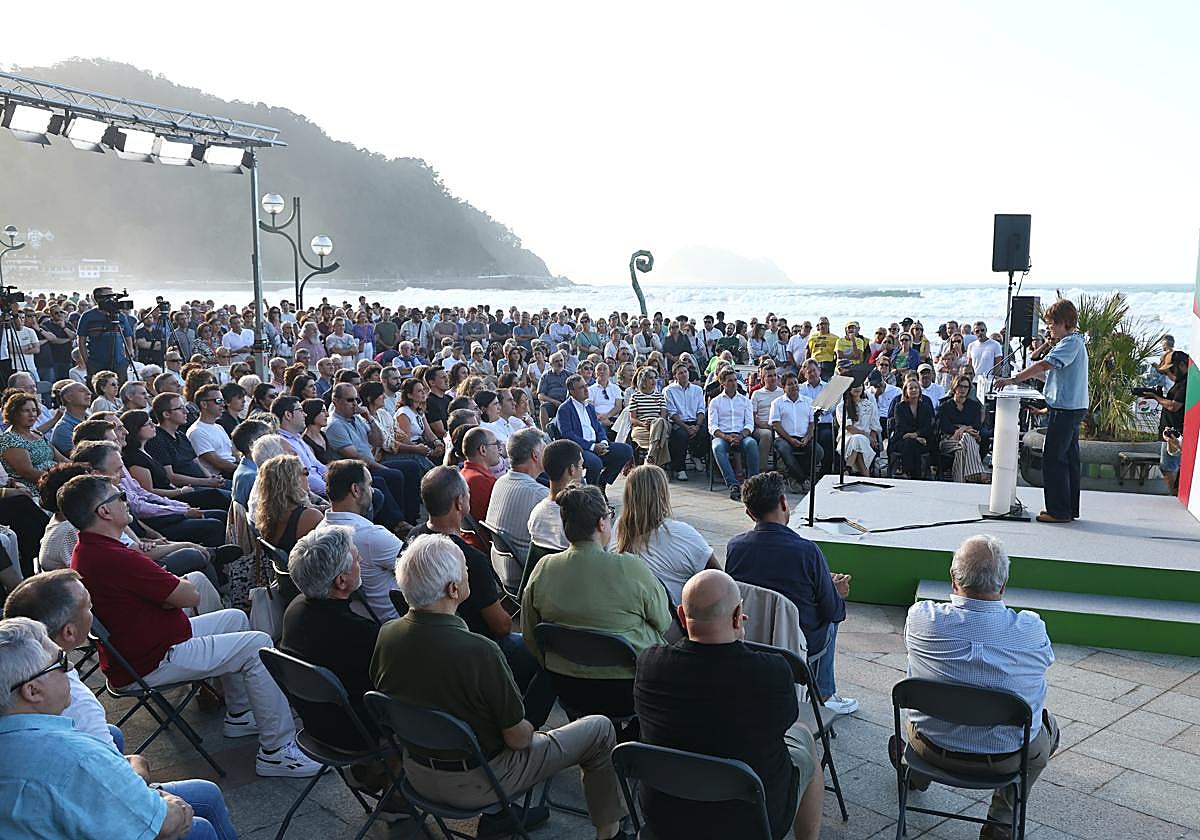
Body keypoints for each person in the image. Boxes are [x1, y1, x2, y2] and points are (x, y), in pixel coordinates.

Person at [62, 473, 320, 778]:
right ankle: (277, 751)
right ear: (103, 511)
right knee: (256, 644)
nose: (126, 499)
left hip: (148, 646)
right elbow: (190, 594)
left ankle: (240, 714)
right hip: (153, 659)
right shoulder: (113, 556)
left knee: (235, 619)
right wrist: (173, 593)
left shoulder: (92, 549)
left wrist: (170, 595)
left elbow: (175, 595)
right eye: (119, 496)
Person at [373, 533, 628, 839]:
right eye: (465, 570)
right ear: (453, 589)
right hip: (479, 781)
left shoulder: (387, 635)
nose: (469, 574)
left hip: (415, 771)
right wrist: (534, 728)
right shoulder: (479, 651)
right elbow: (519, 740)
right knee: (599, 728)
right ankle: (610, 832)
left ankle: (500, 816)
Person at [0, 616, 240, 839]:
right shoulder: (75, 756)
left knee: (204, 794)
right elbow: (167, 824)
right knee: (200, 829)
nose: (71, 668)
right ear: (32, 690)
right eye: (60, 662)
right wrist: (169, 804)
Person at [634, 569, 824, 840]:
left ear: (681, 616)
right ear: (738, 617)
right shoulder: (771, 672)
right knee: (804, 737)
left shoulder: (650, 664)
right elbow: (784, 725)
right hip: (755, 821)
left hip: (666, 813)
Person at [903, 534, 1058, 836]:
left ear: (953, 579)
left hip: (930, 746)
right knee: (1047, 729)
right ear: (1003, 583)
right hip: (1003, 760)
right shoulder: (1031, 630)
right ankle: (1001, 820)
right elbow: (1045, 662)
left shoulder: (921, 618)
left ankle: (916, 774)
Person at [522, 484, 672, 721]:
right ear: (602, 523)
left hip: (566, 685)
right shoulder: (630, 567)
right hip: (627, 688)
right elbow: (663, 622)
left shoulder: (544, 568)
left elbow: (530, 634)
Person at [405, 467, 544, 700]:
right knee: (536, 650)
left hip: (428, 641)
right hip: (473, 647)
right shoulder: (468, 560)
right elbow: (501, 627)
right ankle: (517, 709)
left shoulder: (412, 540)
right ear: (459, 502)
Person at [726, 472, 858, 715]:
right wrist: (836, 592)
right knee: (831, 620)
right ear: (784, 503)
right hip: (797, 643)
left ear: (749, 513)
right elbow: (833, 611)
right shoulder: (807, 551)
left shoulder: (735, 547)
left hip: (751, 635)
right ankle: (824, 694)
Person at [279, 525, 384, 754]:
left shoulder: (294, 610)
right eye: (357, 560)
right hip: (355, 734)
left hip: (317, 726)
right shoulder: (360, 632)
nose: (361, 565)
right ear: (341, 582)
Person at [995, 299, 1089, 523]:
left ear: (1064, 323)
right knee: (1068, 459)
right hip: (1070, 407)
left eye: (1051, 324)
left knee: (1054, 459)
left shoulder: (1070, 343)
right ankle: (1068, 508)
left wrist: (1013, 379)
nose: (1049, 329)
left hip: (1066, 410)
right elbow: (1051, 373)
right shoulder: (1072, 342)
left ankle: (1058, 511)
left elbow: (1043, 365)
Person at [614, 464, 720, 605]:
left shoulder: (618, 529)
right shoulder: (681, 534)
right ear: (663, 495)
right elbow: (720, 580)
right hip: (670, 622)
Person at [325, 382, 420, 530]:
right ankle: (397, 523)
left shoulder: (357, 418)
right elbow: (356, 456)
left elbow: (377, 440)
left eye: (356, 399)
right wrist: (380, 466)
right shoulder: (335, 425)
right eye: (350, 400)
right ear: (335, 401)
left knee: (411, 467)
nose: (355, 404)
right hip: (353, 472)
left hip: (369, 465)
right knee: (391, 476)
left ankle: (411, 517)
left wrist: (369, 418)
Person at [321, 459, 403, 621]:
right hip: (394, 620)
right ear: (356, 489)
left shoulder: (319, 530)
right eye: (370, 485)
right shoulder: (372, 536)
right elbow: (424, 569)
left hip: (355, 619)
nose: (373, 491)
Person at [485, 427, 550, 575]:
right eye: (544, 448)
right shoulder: (539, 494)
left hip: (502, 568)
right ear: (535, 454)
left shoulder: (500, 482)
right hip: (526, 575)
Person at [555, 374, 633, 493]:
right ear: (572, 391)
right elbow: (568, 435)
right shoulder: (564, 409)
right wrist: (592, 447)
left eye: (586, 386)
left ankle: (602, 483)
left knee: (626, 450)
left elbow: (598, 428)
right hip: (580, 448)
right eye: (581, 387)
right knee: (595, 463)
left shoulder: (589, 407)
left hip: (597, 444)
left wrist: (603, 442)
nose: (586, 389)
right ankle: (593, 492)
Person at [146, 392, 229, 492]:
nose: (186, 411)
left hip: (204, 483)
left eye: (184, 407)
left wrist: (211, 478)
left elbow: (197, 463)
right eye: (180, 408)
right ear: (166, 414)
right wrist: (206, 482)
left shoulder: (180, 435)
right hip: (187, 489)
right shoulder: (156, 439)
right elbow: (170, 476)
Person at [253, 454, 323, 554]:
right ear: (293, 480)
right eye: (305, 472)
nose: (308, 476)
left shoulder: (266, 513)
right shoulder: (310, 517)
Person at [708, 368, 759, 500]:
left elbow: (749, 424)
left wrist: (741, 436)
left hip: (741, 435)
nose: (734, 383)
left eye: (735, 380)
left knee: (752, 444)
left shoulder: (744, 400)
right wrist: (725, 436)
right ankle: (733, 484)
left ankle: (753, 483)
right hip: (722, 436)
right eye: (730, 381)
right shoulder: (715, 402)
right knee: (717, 447)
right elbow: (712, 426)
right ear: (722, 383)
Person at [527, 439, 583, 552]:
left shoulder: (536, 513)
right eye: (581, 465)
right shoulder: (579, 516)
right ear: (571, 469)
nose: (582, 471)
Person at [1146, 350, 1188, 495]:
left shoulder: (1185, 384)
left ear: (1182, 365)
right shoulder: (1180, 383)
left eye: (1171, 370)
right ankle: (1176, 494)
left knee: (1169, 467)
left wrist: (1155, 397)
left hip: (1175, 433)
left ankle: (1177, 494)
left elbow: (1174, 406)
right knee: (1168, 467)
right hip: (1170, 432)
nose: (1169, 374)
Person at [0, 393, 60, 492]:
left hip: (57, 480)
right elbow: (28, 473)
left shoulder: (37, 434)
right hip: (37, 488)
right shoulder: (9, 439)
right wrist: (61, 479)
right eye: (26, 411)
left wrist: (80, 469)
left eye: (34, 410)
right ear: (14, 413)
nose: (32, 414)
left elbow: (61, 458)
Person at [76, 287, 136, 384]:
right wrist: (87, 361)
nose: (112, 300)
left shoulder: (120, 316)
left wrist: (128, 357)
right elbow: (81, 340)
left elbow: (128, 337)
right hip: (97, 361)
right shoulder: (88, 316)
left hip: (119, 362)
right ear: (98, 299)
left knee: (120, 388)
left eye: (113, 296)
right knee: (97, 388)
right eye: (108, 296)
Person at [938, 374, 990, 483]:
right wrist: (965, 429)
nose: (962, 389)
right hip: (948, 440)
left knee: (961, 451)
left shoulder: (974, 406)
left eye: (965, 387)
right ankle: (978, 472)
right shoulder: (945, 406)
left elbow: (976, 426)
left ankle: (960, 481)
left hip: (966, 441)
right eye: (960, 386)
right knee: (967, 437)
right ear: (954, 387)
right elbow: (945, 427)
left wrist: (961, 430)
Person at [663, 361, 707, 481]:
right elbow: (672, 413)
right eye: (680, 373)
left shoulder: (697, 390)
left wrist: (697, 426)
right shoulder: (669, 390)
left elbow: (701, 409)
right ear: (675, 376)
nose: (684, 375)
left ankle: (696, 455)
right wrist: (686, 428)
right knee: (680, 436)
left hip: (695, 421)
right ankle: (680, 469)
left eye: (685, 372)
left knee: (705, 433)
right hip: (679, 423)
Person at [186, 384, 238, 479]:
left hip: (232, 469)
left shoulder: (219, 427)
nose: (223, 405)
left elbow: (234, 453)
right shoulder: (197, 431)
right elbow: (218, 463)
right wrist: (241, 469)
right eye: (218, 401)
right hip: (221, 477)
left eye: (223, 400)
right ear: (204, 404)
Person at [889, 378, 935, 479]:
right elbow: (901, 427)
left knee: (914, 443)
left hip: (923, 439)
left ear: (919, 390)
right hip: (902, 439)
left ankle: (909, 473)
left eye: (916, 388)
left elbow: (927, 427)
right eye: (911, 388)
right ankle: (915, 475)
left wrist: (916, 435)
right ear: (906, 391)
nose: (914, 390)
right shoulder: (899, 407)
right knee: (910, 443)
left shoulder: (925, 407)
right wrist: (916, 437)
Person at [834, 382, 881, 477]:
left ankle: (848, 468)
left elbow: (874, 426)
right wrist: (866, 435)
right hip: (847, 439)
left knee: (859, 442)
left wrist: (873, 439)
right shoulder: (841, 407)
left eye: (859, 385)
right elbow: (848, 427)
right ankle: (866, 477)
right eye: (853, 386)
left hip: (866, 440)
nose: (857, 388)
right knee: (858, 439)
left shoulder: (869, 405)